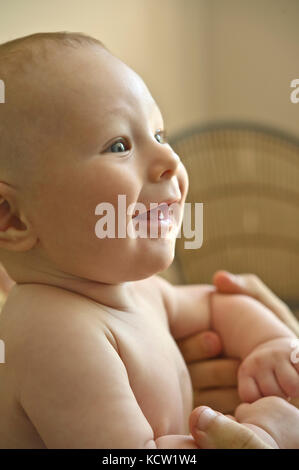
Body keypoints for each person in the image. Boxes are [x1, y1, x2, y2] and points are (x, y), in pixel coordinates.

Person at [0, 32, 298, 449]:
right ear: (11, 218)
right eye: (119, 145)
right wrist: (262, 436)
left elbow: (217, 305)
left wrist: (274, 344)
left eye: (159, 135)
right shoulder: (52, 333)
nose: (170, 161)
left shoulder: (134, 289)